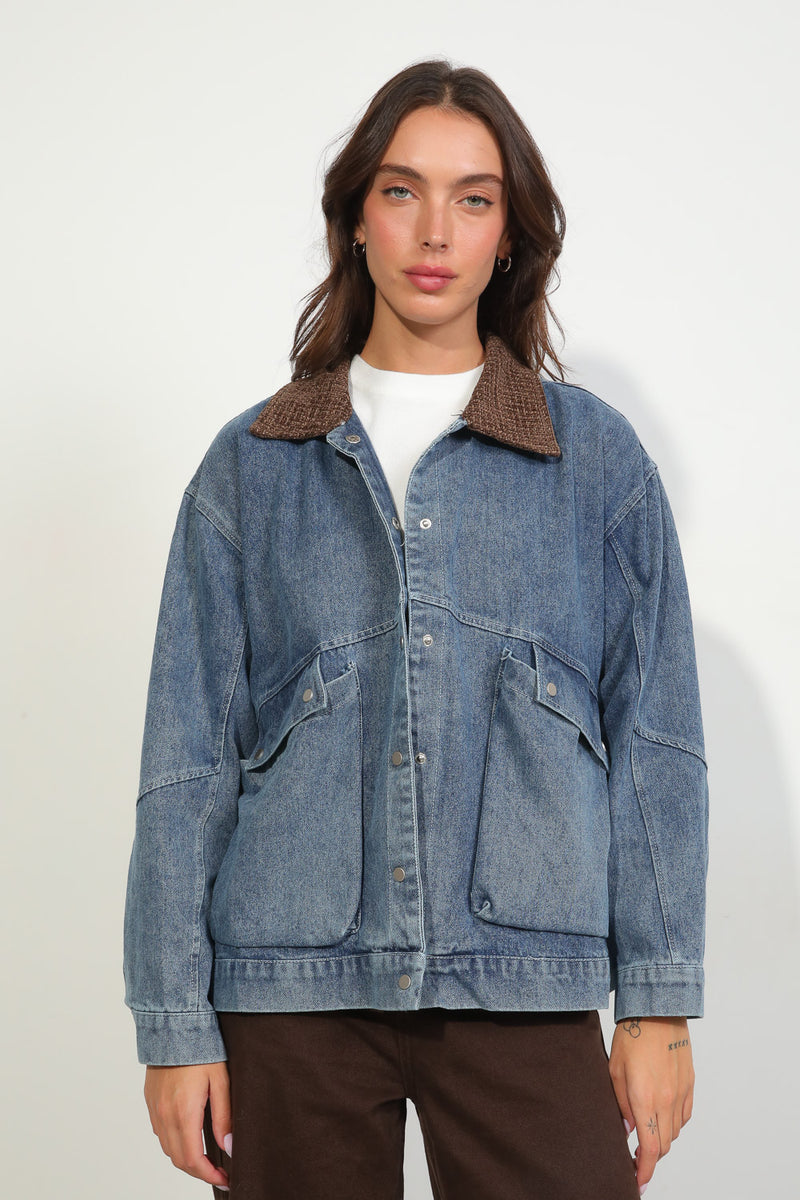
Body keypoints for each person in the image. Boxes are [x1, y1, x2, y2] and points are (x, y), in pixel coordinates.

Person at [123, 59, 709, 1200]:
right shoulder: (252, 467)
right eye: (401, 191)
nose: (434, 230)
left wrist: (658, 1006)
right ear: (355, 218)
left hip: (524, 979)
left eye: (473, 199)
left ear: (509, 235)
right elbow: (184, 760)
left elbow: (656, 748)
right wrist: (173, 1023)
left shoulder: (594, 463)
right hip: (289, 990)